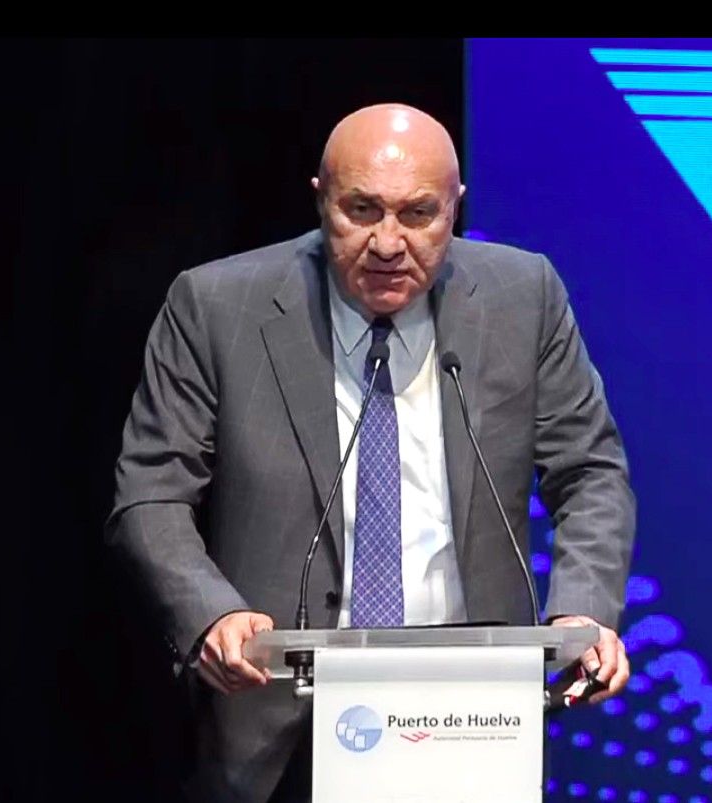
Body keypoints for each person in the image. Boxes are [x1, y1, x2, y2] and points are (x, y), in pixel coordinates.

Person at [107, 103, 636, 802]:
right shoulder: (215, 305)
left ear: (455, 206)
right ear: (320, 198)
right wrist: (210, 613)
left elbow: (591, 472)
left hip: (474, 719)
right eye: (362, 210)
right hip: (276, 719)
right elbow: (150, 494)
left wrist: (582, 612)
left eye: (418, 214)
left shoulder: (523, 297)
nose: (388, 242)